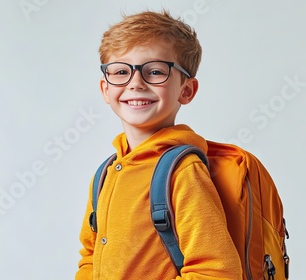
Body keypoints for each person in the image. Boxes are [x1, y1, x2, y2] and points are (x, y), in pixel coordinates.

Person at [75, 10, 243, 279]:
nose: (136, 83)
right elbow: (90, 256)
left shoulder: (183, 171)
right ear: (106, 89)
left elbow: (216, 272)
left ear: (186, 90)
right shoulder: (105, 174)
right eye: (120, 71)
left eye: (155, 71)